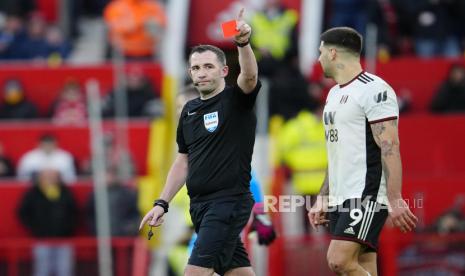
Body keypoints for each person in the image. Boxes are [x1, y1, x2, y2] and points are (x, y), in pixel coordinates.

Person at [140, 8, 260, 276]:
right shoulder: (189, 111)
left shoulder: (235, 101)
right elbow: (183, 160)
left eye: (208, 66)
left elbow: (250, 77)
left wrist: (242, 43)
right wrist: (162, 203)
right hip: (200, 206)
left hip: (227, 203)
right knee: (238, 272)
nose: (201, 72)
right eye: (196, 67)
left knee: (194, 273)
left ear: (223, 70)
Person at [308, 27, 418, 276]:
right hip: (340, 194)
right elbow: (336, 151)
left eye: (321, 52)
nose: (318, 59)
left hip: (365, 193)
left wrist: (394, 197)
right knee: (361, 266)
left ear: (333, 53)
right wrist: (324, 195)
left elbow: (390, 146)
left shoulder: (374, 90)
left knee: (338, 260)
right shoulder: (334, 94)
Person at [17, 168, 77, 276]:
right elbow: (22, 212)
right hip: (42, 239)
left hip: (63, 239)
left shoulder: (65, 192)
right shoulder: (33, 193)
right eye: (47, 176)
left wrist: (68, 229)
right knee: (42, 270)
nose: (50, 179)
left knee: (64, 270)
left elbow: (74, 212)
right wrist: (35, 228)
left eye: (53, 176)